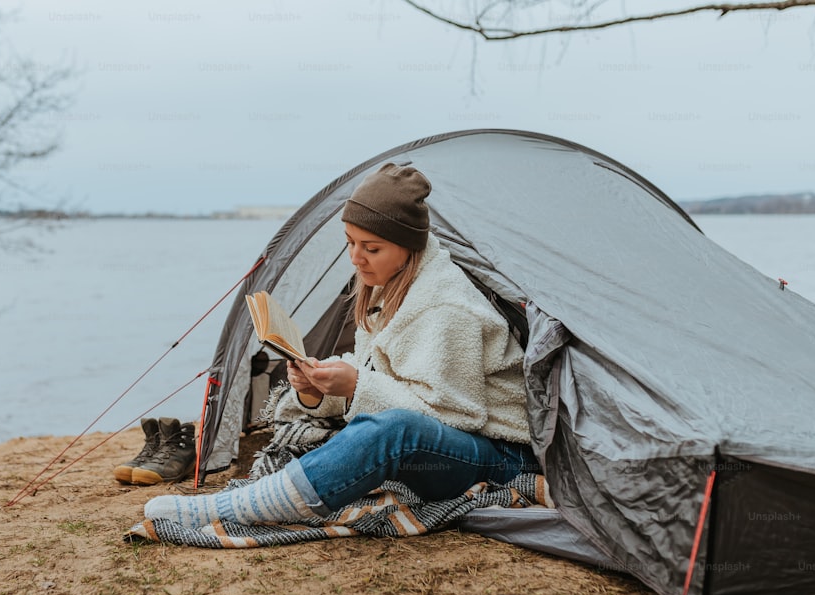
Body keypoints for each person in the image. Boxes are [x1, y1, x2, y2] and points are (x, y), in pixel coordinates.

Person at [142, 162, 539, 529]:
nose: (356, 258)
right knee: (384, 428)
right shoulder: (391, 286)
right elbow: (379, 367)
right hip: (446, 446)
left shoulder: (447, 306)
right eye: (350, 242)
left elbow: (456, 416)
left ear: (408, 245)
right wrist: (320, 388)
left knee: (394, 431)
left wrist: (356, 387)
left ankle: (241, 507)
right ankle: (269, 496)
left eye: (371, 248)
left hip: (499, 456)